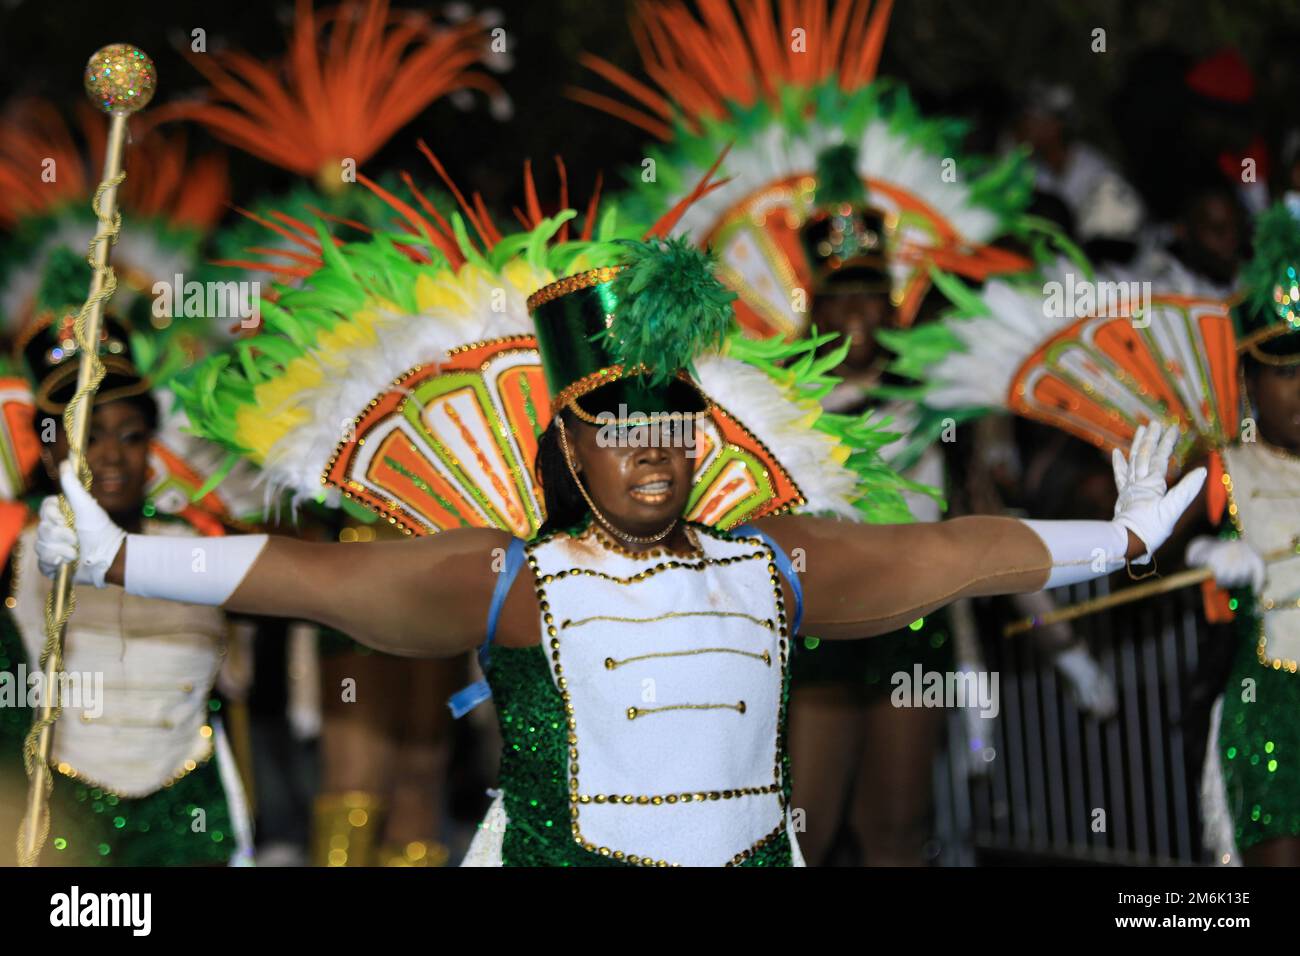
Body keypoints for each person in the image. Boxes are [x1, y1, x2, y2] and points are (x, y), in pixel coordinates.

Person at [34, 237, 1204, 867]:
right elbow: (318, 580)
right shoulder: (517, 581)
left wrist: (1124, 536)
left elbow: (952, 552)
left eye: (670, 426)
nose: (650, 451)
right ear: (570, 449)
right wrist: (124, 556)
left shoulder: (777, 564)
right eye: (617, 429)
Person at [1, 305, 250, 866]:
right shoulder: (16, 550)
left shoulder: (203, 547)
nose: (110, 455)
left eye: (131, 435)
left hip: (188, 812)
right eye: (86, 436)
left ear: (151, 449)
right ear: (50, 449)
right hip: (61, 816)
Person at [1190, 204, 1300, 866]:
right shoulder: (1220, 465)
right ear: (1251, 380)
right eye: (1285, 372)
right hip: (1272, 706)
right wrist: (1206, 555)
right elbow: (1134, 563)